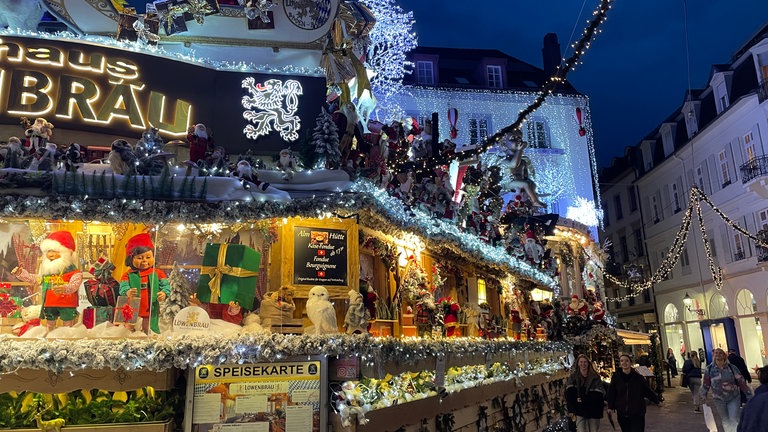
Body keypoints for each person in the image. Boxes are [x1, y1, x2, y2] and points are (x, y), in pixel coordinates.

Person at [11, 231, 81, 331]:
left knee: (68, 326)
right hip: (50, 303)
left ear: (67, 252)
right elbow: (36, 279)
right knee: (49, 326)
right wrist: (21, 273)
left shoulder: (74, 272)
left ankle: (67, 339)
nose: (50, 255)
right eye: (48, 251)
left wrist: (65, 288)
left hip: (67, 304)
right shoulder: (47, 272)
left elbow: (74, 285)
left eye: (55, 251)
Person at [119, 233, 169, 334]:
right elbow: (123, 287)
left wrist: (164, 293)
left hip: (151, 306)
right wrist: (127, 291)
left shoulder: (158, 273)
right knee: (130, 327)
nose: (144, 261)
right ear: (131, 259)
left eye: (148, 257)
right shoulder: (128, 275)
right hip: (133, 306)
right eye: (140, 258)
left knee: (149, 327)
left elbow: (166, 286)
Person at [699, 348, 754, 432]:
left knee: (734, 419)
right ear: (713, 355)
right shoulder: (709, 369)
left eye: (720, 353)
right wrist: (703, 394)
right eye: (716, 353)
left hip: (733, 397)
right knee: (725, 420)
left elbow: (741, 381)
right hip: (718, 398)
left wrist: (748, 394)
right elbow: (706, 383)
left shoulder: (732, 368)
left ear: (725, 356)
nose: (718, 354)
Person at [606, 354, 661, 432]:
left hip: (637, 412)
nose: (624, 363)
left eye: (626, 360)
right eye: (622, 361)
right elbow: (612, 392)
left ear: (630, 363)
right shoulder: (616, 377)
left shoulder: (638, 377)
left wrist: (656, 400)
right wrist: (610, 407)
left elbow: (646, 390)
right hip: (622, 412)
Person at [565, 354, 605, 432]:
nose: (583, 364)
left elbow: (599, 394)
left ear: (588, 363)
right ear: (578, 363)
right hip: (579, 409)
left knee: (593, 430)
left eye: (585, 362)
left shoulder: (595, 377)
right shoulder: (573, 377)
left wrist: (583, 399)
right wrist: (571, 409)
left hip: (593, 409)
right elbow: (569, 394)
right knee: (581, 430)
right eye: (581, 362)